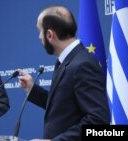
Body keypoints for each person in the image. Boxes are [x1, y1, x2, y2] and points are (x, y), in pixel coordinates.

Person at [18, 6, 110, 141]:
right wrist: (33, 90)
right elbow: (64, 108)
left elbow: (98, 121)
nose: (39, 37)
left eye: (40, 31)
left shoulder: (82, 64)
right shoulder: (66, 61)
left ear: (50, 34)